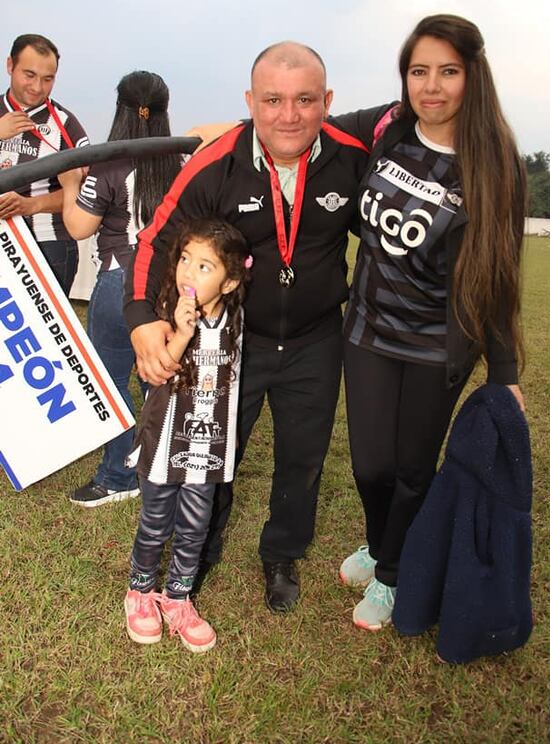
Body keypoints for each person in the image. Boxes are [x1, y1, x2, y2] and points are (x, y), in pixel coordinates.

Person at [124, 42, 371, 613]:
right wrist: (142, 322)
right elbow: (156, 241)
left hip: (315, 337)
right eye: (273, 100)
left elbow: (410, 114)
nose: (289, 115)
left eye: (306, 100)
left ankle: (282, 554)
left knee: (303, 458)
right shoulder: (217, 163)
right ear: (250, 103)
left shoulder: (352, 156)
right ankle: (200, 548)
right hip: (234, 343)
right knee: (215, 452)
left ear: (327, 101)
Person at [329, 14, 528, 631]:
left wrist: (505, 371)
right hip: (366, 328)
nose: (432, 86)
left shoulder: (495, 166)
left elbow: (497, 276)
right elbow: (306, 125)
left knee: (412, 468)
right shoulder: (389, 130)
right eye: (420, 71)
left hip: (435, 342)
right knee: (369, 465)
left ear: (473, 77)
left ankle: (392, 573)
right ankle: (382, 540)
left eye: (448, 71)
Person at [123, 218, 250, 652]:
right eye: (184, 259)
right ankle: (140, 593)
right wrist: (181, 332)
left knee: (195, 526)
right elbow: (158, 372)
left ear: (230, 282)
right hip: (164, 442)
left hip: (209, 444)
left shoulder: (237, 314)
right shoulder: (165, 310)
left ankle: (177, 598)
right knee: (156, 521)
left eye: (204, 266)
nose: (187, 272)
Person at [58, 71, 183, 506]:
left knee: (110, 382)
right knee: (160, 380)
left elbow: (78, 227)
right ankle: (160, 472)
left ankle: (116, 476)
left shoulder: (108, 163)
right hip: (168, 286)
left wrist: (70, 181)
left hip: (118, 283)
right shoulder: (180, 162)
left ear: (122, 109)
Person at [0, 33, 89, 294]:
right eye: (29, 74)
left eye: (47, 79)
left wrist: (32, 205)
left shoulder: (67, 124)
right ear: (9, 66)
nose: (37, 87)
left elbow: (88, 191)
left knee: (43, 335)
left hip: (49, 245)